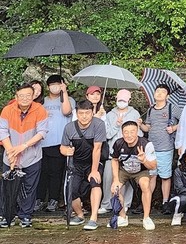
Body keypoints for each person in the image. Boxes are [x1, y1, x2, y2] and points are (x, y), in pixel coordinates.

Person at [0, 83, 49, 228]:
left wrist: (23, 146)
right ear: (16, 97)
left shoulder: (40, 110)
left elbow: (42, 132)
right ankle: (6, 214)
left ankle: (25, 215)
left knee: (29, 187)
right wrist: (11, 151)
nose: (25, 98)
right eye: (21, 95)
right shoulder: (7, 110)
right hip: (10, 156)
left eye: (28, 95)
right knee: (7, 187)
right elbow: (2, 131)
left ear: (33, 96)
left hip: (32, 156)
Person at [60, 100, 107, 231]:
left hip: (94, 161)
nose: (84, 116)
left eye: (87, 113)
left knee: (95, 183)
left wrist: (94, 170)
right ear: (77, 113)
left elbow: (97, 148)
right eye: (81, 113)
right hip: (76, 163)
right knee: (71, 189)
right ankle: (80, 215)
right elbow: (62, 147)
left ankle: (93, 218)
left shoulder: (99, 124)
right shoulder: (69, 127)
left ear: (92, 113)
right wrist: (66, 151)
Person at [138, 83, 180, 212]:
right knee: (151, 175)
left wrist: (174, 128)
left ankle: (165, 202)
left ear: (168, 96)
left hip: (166, 147)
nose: (159, 93)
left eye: (163, 92)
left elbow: (185, 121)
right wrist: (140, 124)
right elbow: (148, 128)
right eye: (157, 91)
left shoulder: (172, 108)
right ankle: (147, 201)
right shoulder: (151, 109)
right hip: (151, 147)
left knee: (165, 176)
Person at [98, 89, 141, 214]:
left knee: (127, 180)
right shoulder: (110, 115)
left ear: (129, 100)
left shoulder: (135, 113)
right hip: (113, 152)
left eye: (124, 100)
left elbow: (139, 134)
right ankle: (107, 204)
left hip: (130, 153)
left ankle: (125, 204)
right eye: (119, 100)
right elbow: (107, 134)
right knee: (108, 178)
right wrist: (117, 125)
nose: (121, 102)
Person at [35, 75, 74, 214]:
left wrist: (64, 92)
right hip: (41, 142)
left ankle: (53, 199)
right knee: (42, 172)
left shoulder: (68, 100)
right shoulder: (42, 102)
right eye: (52, 84)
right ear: (48, 87)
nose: (55, 86)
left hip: (59, 142)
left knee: (56, 173)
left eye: (58, 84)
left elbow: (67, 111)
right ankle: (39, 199)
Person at [110, 121, 157, 230]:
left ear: (137, 132)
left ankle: (146, 217)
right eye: (126, 132)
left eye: (132, 132)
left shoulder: (146, 144)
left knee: (145, 185)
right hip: (124, 170)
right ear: (122, 133)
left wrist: (144, 160)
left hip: (141, 171)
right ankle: (122, 216)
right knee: (115, 189)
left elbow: (153, 166)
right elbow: (114, 160)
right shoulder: (118, 143)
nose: (129, 135)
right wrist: (115, 179)